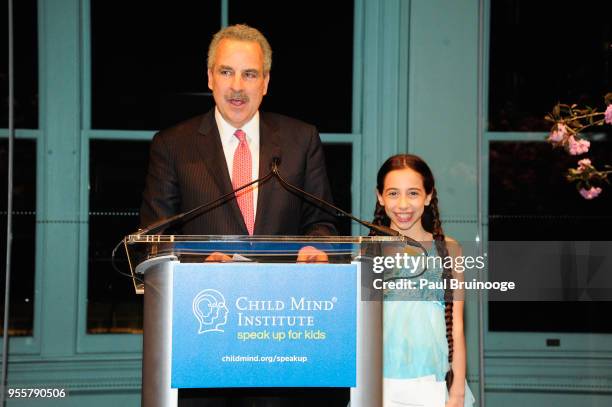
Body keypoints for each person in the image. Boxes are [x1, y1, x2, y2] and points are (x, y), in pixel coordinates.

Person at [140, 24, 336, 243]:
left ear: (265, 83)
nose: (237, 86)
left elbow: (321, 224)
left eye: (249, 74)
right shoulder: (172, 145)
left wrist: (315, 249)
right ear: (210, 77)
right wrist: (200, 262)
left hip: (281, 278)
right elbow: (154, 238)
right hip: (205, 278)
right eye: (226, 72)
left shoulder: (301, 141)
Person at [371, 154, 475, 407]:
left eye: (413, 193)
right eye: (393, 193)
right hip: (378, 383)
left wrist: (458, 392)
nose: (403, 204)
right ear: (380, 196)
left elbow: (457, 327)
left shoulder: (450, 250)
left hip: (433, 383)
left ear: (428, 196)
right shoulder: (367, 252)